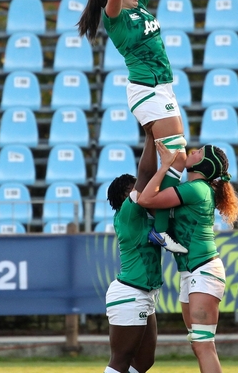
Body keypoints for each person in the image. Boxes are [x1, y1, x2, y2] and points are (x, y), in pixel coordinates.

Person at [79, 0, 186, 253]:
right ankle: (159, 223)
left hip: (163, 87)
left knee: (162, 154)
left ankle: (150, 217)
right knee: (177, 156)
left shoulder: (138, 6)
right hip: (147, 89)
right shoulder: (116, 16)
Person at [137, 142, 238, 373]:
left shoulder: (198, 189)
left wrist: (165, 167)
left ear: (205, 165)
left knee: (204, 345)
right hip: (190, 271)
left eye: (200, 152)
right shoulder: (192, 187)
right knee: (198, 344)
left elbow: (146, 200)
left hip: (203, 269)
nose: (193, 151)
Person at [103, 128, 160, 373]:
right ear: (126, 196)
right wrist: (150, 136)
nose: (142, 190)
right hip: (130, 292)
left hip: (145, 293)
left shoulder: (142, 216)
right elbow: (147, 175)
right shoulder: (127, 212)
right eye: (135, 189)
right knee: (120, 361)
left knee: (144, 361)